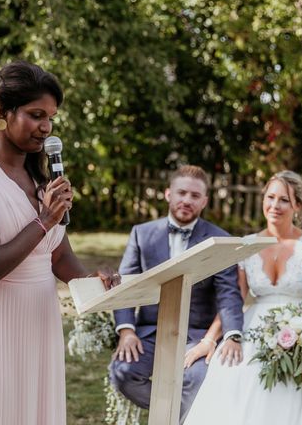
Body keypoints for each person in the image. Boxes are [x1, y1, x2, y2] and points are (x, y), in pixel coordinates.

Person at [0, 60, 119, 425]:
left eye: (51, 117)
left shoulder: (41, 176)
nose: (46, 127)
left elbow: (57, 254)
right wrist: (45, 219)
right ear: (4, 113)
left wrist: (90, 279)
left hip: (38, 318)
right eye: (36, 115)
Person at [183, 171, 302, 424]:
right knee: (234, 369)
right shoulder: (247, 245)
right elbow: (234, 299)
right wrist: (209, 339)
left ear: (298, 206)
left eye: (284, 200)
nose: (275, 206)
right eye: (270, 197)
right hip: (254, 328)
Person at [109, 165, 245, 424]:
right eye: (181, 192)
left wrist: (232, 335)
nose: (186, 200)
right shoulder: (142, 234)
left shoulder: (220, 239)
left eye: (195, 196)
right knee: (123, 372)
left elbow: (229, 293)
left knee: (197, 378)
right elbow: (125, 286)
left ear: (204, 201)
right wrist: (126, 331)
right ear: (168, 194)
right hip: (149, 332)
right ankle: (181, 417)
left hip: (195, 336)